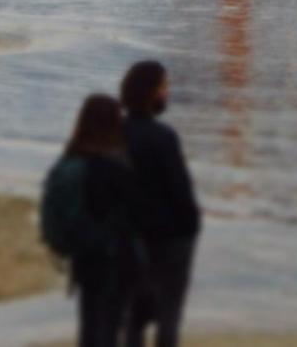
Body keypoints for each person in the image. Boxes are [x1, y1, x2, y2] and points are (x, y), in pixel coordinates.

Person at [42, 93, 142, 347]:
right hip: (116, 257)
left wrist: (60, 244)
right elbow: (135, 219)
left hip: (84, 256)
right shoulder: (119, 166)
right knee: (112, 325)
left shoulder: (68, 163)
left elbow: (52, 211)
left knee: (90, 324)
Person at [120, 60, 201, 347]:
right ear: (151, 93)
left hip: (127, 238)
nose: (167, 93)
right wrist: (192, 226)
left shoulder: (113, 134)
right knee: (169, 315)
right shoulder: (163, 137)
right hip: (169, 239)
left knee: (132, 317)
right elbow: (181, 195)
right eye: (163, 87)